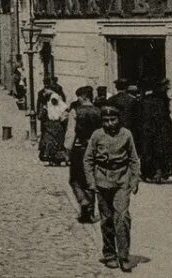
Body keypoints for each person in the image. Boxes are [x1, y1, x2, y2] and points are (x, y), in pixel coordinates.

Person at [85, 104, 141, 273]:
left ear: (119, 119)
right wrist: (91, 182)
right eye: (106, 120)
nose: (109, 123)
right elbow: (88, 160)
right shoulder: (97, 135)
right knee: (107, 219)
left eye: (112, 119)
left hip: (121, 180)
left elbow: (133, 159)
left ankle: (124, 256)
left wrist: (134, 180)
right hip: (102, 181)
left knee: (122, 218)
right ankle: (109, 255)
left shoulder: (126, 135)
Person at [69, 86, 103, 224]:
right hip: (95, 149)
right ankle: (88, 214)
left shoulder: (75, 111)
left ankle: (83, 200)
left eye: (78, 97)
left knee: (75, 179)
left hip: (79, 148)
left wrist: (67, 150)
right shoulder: (99, 112)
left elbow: (70, 133)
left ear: (84, 97)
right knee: (91, 180)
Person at [41, 87, 69, 166]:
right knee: (50, 142)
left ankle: (58, 159)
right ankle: (50, 159)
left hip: (57, 125)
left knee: (58, 142)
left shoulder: (60, 104)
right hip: (50, 125)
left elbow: (66, 111)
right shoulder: (49, 105)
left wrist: (62, 118)